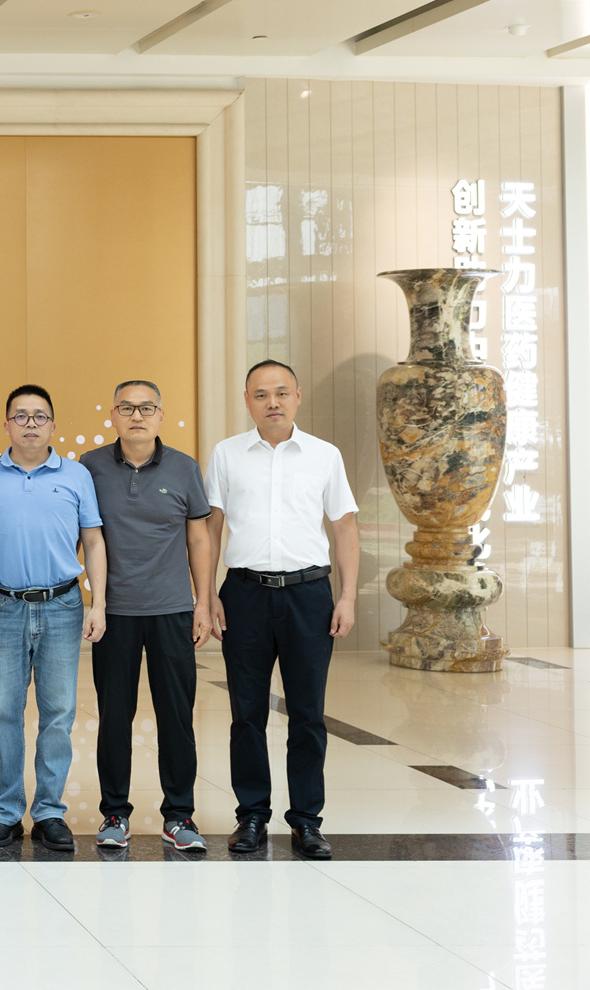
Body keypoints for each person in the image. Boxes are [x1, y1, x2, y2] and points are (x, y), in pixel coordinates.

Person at [207, 359, 360, 860]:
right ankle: (251, 816)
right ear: (247, 401)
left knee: (308, 714)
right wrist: (206, 595)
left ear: (297, 397)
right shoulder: (227, 454)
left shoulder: (324, 455)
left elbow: (345, 528)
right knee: (246, 714)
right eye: (260, 394)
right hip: (244, 594)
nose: (271, 402)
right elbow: (210, 529)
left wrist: (347, 596)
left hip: (308, 595)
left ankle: (307, 821)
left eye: (280, 393)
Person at [82, 380, 212, 852]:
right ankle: (114, 813)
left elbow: (198, 538)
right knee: (115, 717)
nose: (136, 415)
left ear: (160, 415)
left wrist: (203, 602)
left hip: (172, 610)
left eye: (146, 407)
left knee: (176, 717)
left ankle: (179, 816)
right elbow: (82, 534)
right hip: (114, 613)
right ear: (112, 415)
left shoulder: (184, 467)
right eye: (127, 407)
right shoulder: (90, 466)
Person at [0, 384, 106, 854]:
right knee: (4, 711)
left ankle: (50, 811)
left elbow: (93, 541)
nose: (30, 424)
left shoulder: (76, 475)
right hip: (3, 604)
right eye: (21, 416)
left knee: (59, 713)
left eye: (39, 416)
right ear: (6, 424)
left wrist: (98, 603)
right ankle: (5, 812)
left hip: (63, 605)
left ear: (53, 425)